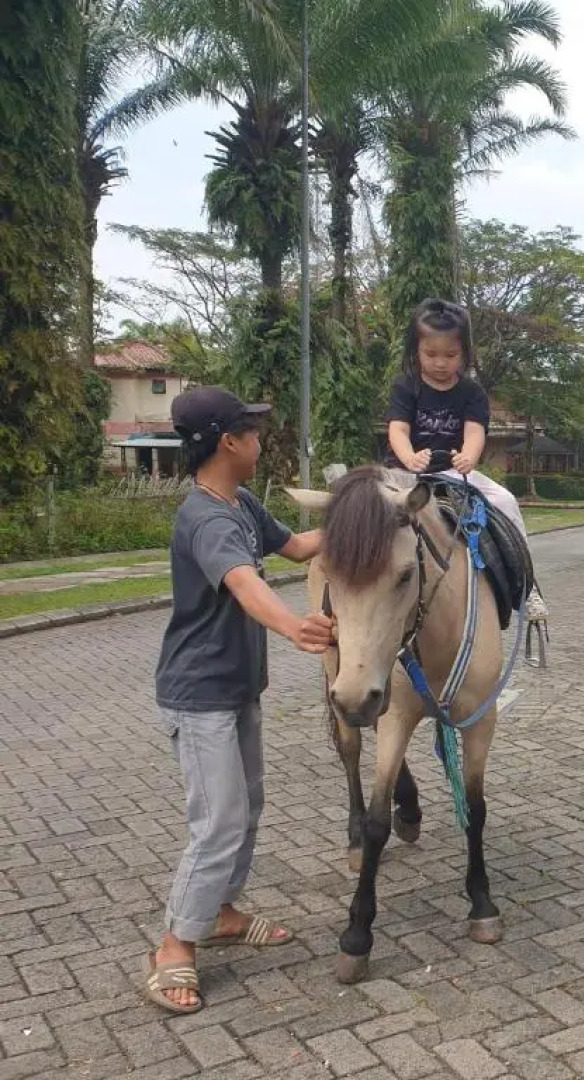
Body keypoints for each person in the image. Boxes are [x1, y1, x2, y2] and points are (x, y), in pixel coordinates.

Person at [145, 387, 334, 1015]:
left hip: (237, 689)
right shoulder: (207, 518)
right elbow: (243, 582)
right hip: (198, 695)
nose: (260, 439)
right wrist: (294, 626)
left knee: (247, 805)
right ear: (229, 441)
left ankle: (220, 912)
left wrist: (365, 513)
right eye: (252, 430)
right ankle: (175, 945)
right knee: (218, 819)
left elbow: (301, 547)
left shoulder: (243, 504)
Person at [386, 297, 548, 620]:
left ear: (465, 354)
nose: (440, 363)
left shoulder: (472, 393)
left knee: (505, 500)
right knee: (356, 508)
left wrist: (469, 457)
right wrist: (409, 457)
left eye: (450, 355)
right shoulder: (406, 386)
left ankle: (527, 587)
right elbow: (397, 430)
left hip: (452, 472)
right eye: (431, 354)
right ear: (415, 350)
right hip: (403, 475)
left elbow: (474, 433)